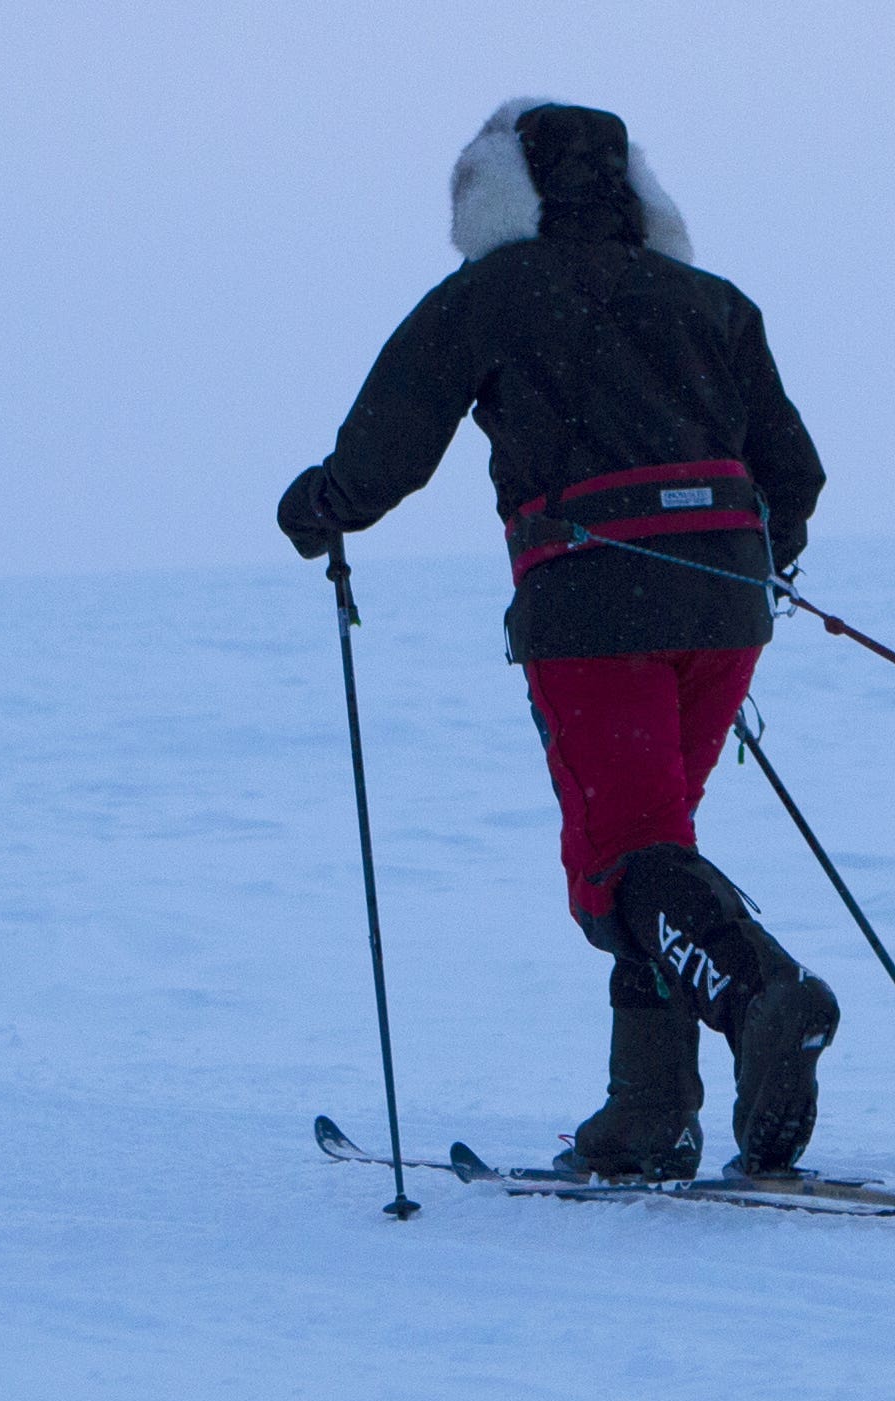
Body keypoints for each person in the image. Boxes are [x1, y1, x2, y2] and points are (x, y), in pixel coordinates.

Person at [278, 100, 842, 1181]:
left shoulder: (493, 292)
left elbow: (393, 440)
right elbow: (795, 476)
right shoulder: (714, 303)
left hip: (592, 603)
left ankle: (763, 1000)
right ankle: (649, 1112)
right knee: (656, 840)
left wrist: (323, 507)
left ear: (499, 194)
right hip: (727, 600)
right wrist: (759, 558)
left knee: (623, 861)